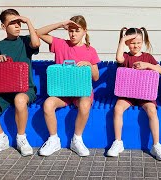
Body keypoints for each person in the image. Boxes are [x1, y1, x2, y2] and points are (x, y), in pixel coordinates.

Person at [0, 9, 40, 156]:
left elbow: (36, 42)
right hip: (1, 91)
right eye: (12, 23)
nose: (18, 26)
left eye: (19, 22)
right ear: (3, 27)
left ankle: (21, 138)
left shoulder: (25, 41)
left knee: (20, 100)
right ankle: (1, 138)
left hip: (24, 89)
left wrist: (28, 22)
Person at [36, 15, 100, 156]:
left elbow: (96, 77)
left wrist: (89, 65)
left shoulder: (90, 50)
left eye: (77, 30)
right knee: (48, 104)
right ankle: (54, 140)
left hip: (81, 91)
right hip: (62, 92)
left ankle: (76, 139)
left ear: (84, 31)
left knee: (84, 104)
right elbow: (37, 33)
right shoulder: (60, 44)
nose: (73, 34)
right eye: (70, 30)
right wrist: (60, 23)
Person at [106, 27, 161, 161]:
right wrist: (123, 39)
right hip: (127, 93)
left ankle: (156, 144)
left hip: (145, 93)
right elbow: (118, 57)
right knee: (118, 108)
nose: (136, 45)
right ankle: (118, 142)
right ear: (127, 43)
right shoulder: (126, 57)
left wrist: (148, 65)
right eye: (132, 42)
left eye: (139, 42)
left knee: (152, 110)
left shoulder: (147, 57)